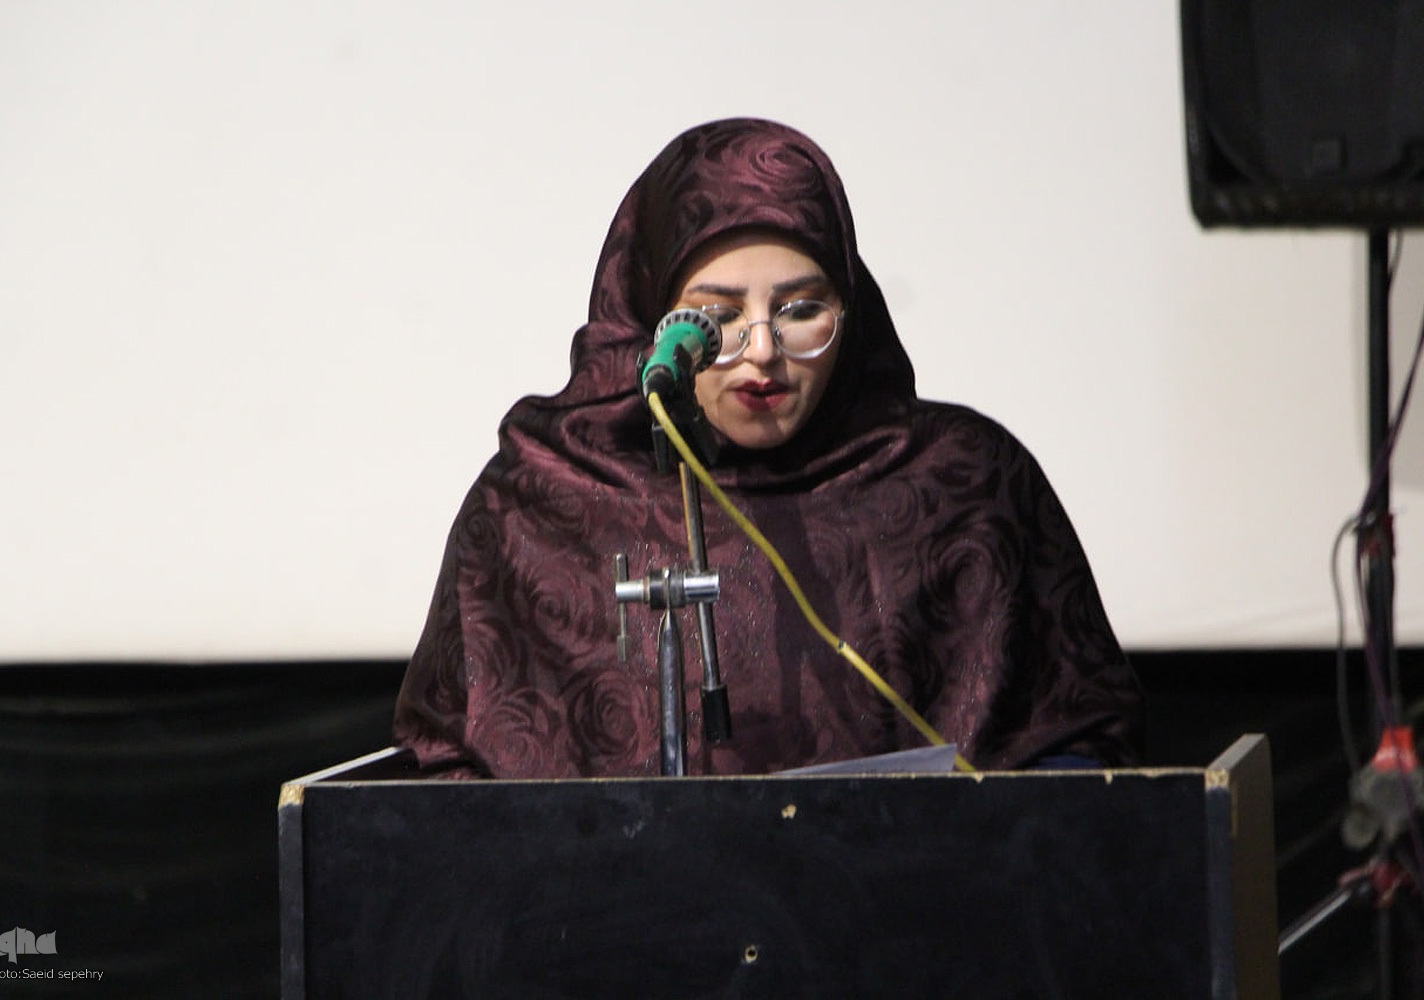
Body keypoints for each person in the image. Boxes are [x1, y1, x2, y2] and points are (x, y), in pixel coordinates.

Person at [393, 118, 1142, 778]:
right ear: (649, 316)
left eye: (801, 308)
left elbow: (1079, 746)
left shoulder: (963, 485)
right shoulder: (538, 502)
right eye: (714, 319)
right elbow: (445, 774)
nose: (761, 352)